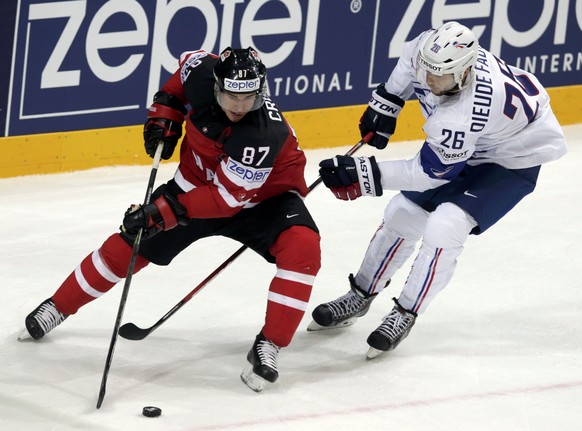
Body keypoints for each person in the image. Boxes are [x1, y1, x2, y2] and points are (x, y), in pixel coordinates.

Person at [22, 46, 321, 392]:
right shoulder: (201, 72)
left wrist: (161, 212)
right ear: (216, 85)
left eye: (249, 97)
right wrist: (165, 112)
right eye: (231, 96)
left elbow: (225, 201)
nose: (240, 106)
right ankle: (59, 306)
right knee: (131, 241)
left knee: (303, 248)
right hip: (197, 185)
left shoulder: (262, 135)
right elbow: (181, 73)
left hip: (263, 199)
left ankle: (270, 344)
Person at [308, 22, 567, 359]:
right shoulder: (430, 51)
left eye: (439, 77)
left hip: (512, 160)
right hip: (478, 145)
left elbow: (428, 174)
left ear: (464, 72)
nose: (429, 83)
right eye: (426, 72)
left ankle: (405, 313)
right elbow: (410, 55)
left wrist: (364, 172)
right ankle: (360, 295)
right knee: (402, 214)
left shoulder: (465, 113)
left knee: (446, 224)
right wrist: (387, 101)